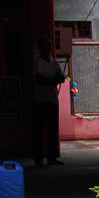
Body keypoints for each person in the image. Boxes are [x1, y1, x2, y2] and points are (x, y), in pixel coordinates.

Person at [33, 38, 65, 166]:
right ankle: (39, 159)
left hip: (52, 99)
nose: (47, 50)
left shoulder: (54, 63)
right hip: (40, 100)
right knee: (40, 130)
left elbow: (61, 78)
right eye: (45, 47)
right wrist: (53, 80)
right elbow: (39, 81)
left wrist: (49, 80)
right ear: (41, 50)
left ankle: (51, 158)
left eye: (49, 47)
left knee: (52, 130)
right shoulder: (38, 63)